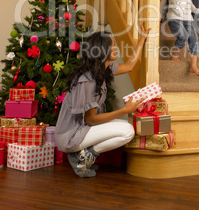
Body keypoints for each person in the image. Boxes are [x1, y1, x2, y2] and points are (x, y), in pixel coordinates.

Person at [55, 24, 151, 178]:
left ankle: (82, 155)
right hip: (72, 135)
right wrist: (124, 110)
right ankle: (82, 156)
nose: (115, 48)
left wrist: (142, 39)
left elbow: (130, 66)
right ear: (101, 50)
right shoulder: (87, 80)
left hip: (83, 129)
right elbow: (91, 120)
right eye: (112, 45)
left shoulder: (103, 68)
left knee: (125, 126)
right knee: (127, 132)